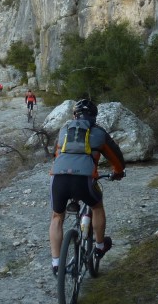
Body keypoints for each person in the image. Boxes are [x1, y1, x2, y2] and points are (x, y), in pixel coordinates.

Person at [49, 99, 125, 275]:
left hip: (59, 178)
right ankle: (99, 246)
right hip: (84, 180)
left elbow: (56, 154)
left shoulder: (64, 130)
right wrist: (118, 172)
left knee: (57, 217)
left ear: (74, 115)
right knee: (97, 206)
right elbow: (116, 157)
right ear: (94, 117)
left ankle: (55, 263)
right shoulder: (99, 132)